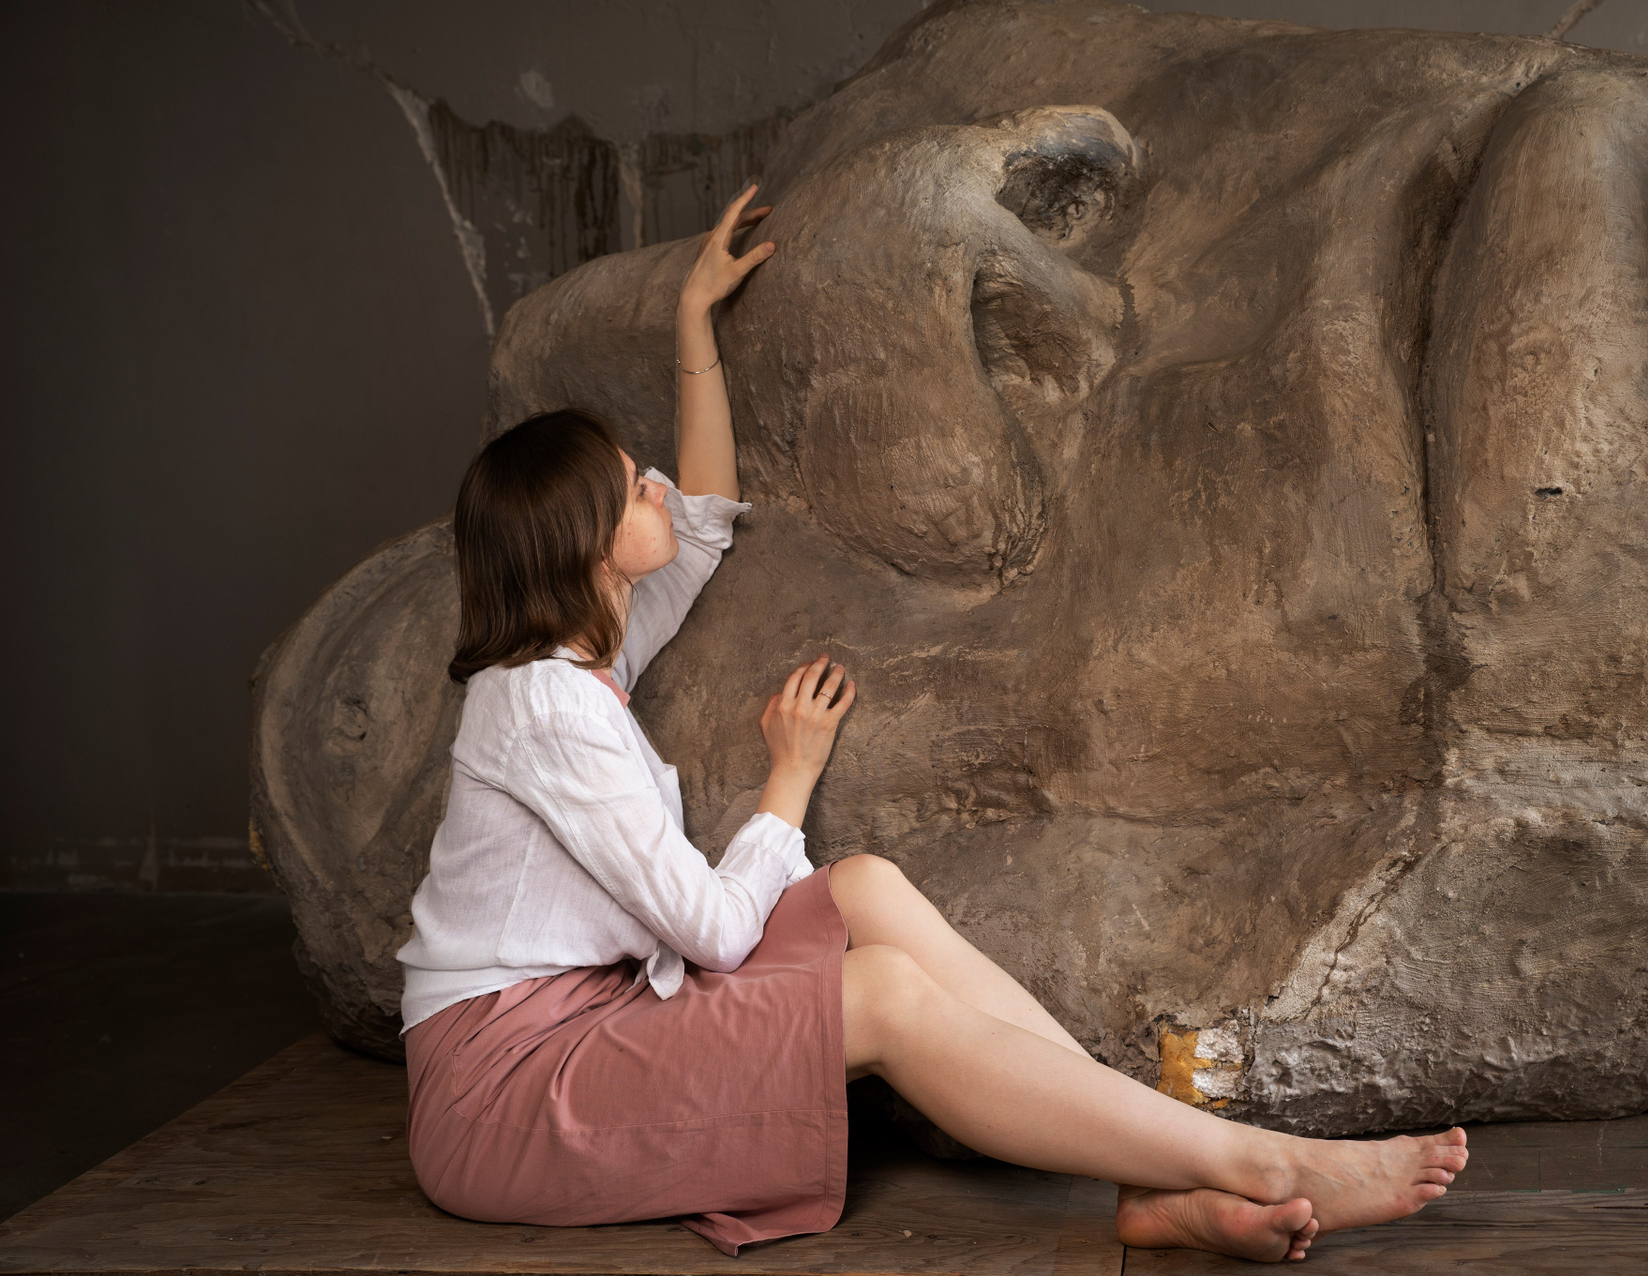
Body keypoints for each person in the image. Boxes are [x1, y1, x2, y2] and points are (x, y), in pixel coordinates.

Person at [396, 185, 1468, 1263]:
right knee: (884, 998)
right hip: (506, 1094)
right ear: (585, 551)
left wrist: (693, 319)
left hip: (587, 1022)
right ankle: (1263, 1161)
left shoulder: (581, 653)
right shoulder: (546, 705)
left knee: (862, 885)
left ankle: (1155, 1180)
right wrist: (788, 778)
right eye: (635, 491)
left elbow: (706, 523)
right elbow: (713, 932)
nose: (662, 492)